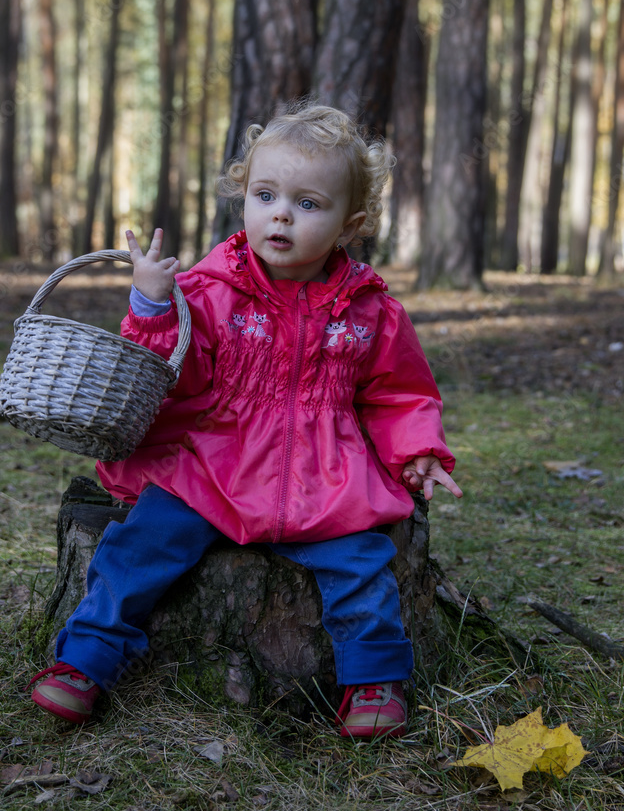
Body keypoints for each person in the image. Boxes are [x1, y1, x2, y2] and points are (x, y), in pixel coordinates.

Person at [30, 103, 461, 739]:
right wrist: (151, 304)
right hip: (214, 463)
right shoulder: (209, 292)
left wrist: (417, 449)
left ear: (351, 224)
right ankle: (85, 660)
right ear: (245, 199)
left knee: (363, 562)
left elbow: (398, 394)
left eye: (308, 203)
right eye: (265, 195)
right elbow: (165, 372)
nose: (281, 213)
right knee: (142, 543)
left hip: (324, 474)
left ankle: (374, 679)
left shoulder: (372, 311)